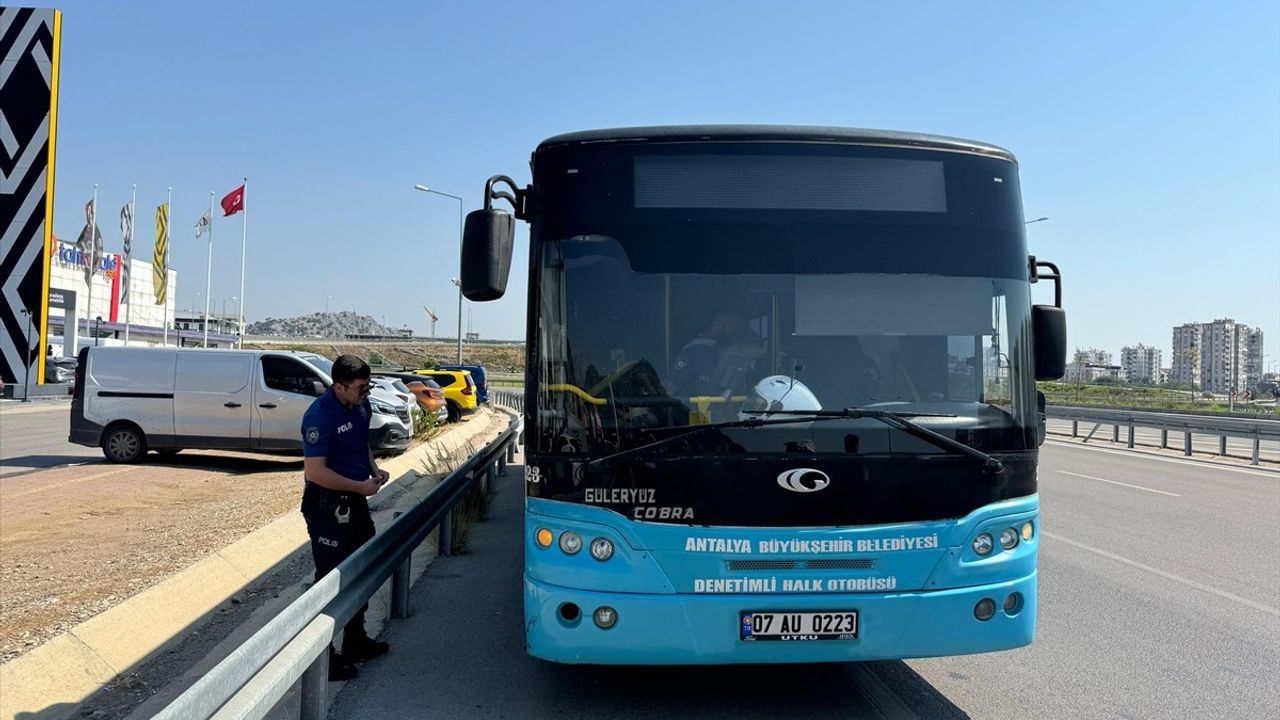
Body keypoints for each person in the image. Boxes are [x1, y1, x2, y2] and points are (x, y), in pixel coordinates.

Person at [300, 354, 392, 681]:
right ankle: (324, 658)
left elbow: (361, 444)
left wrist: (374, 469)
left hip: (355, 501)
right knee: (330, 582)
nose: (366, 393)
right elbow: (316, 471)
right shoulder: (320, 416)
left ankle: (355, 640)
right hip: (328, 506)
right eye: (360, 388)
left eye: (369, 387)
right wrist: (358, 486)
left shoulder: (361, 406)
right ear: (339, 386)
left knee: (362, 571)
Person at [670, 310, 764, 398]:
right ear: (719, 321)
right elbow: (669, 387)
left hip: (724, 414)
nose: (733, 332)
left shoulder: (729, 354)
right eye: (731, 326)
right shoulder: (693, 352)